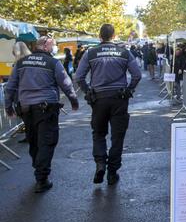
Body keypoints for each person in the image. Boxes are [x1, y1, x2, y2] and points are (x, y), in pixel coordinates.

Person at [4, 36, 79, 193]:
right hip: (46, 108)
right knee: (47, 141)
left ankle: (38, 166)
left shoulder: (21, 63)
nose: (54, 48)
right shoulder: (52, 63)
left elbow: (10, 86)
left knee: (34, 140)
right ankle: (41, 178)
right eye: (53, 45)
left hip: (26, 109)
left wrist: (8, 107)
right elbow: (65, 83)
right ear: (45, 46)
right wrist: (73, 100)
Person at [75, 24, 141, 186]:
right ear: (114, 35)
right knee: (117, 136)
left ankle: (100, 164)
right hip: (119, 98)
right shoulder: (124, 53)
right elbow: (137, 74)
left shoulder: (90, 53)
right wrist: (129, 89)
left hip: (98, 99)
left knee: (98, 133)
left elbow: (79, 77)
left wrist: (88, 92)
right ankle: (112, 172)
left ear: (100, 35)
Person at [11, 41, 32, 144]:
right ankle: (31, 136)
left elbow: (13, 83)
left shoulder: (18, 64)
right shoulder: (32, 62)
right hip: (34, 95)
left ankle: (30, 136)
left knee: (27, 119)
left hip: (22, 96)